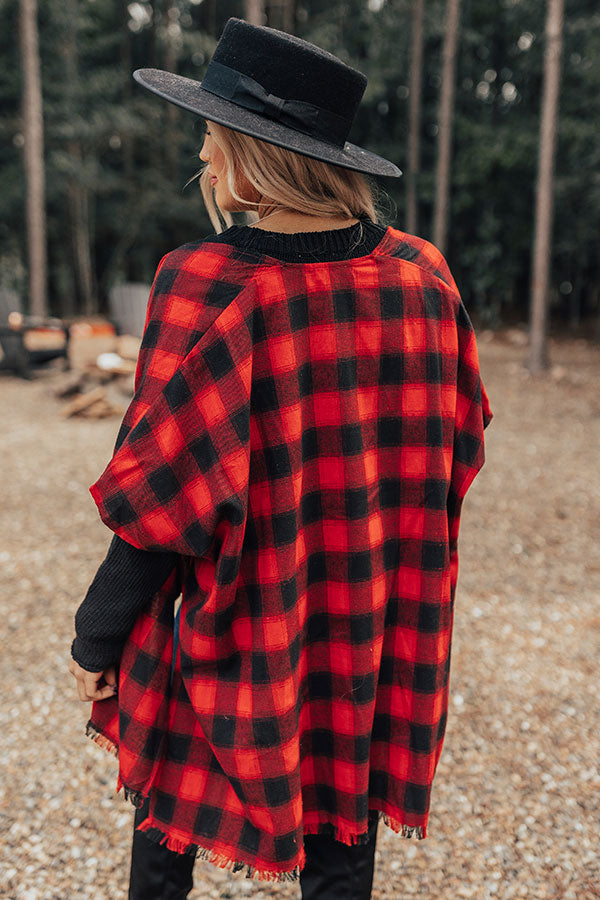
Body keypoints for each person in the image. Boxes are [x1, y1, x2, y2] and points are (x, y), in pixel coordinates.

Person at [68, 16, 492, 900]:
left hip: (227, 622)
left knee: (164, 826)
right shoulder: (425, 279)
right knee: (343, 825)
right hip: (366, 616)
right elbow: (459, 443)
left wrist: (97, 633)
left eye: (215, 146)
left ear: (259, 162)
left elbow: (156, 499)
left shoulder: (205, 281)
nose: (207, 167)